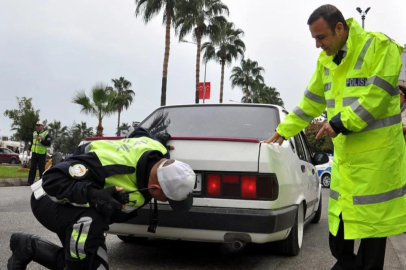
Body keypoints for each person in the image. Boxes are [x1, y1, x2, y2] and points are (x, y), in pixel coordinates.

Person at [264, 4, 406, 270]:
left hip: (378, 165)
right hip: (346, 163)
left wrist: (339, 123)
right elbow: (310, 102)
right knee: (337, 243)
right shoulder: (326, 62)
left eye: (322, 37)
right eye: (315, 39)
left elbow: (375, 98)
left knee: (373, 239)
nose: (318, 45)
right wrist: (284, 131)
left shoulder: (380, 48)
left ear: (340, 28)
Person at [7, 127, 196, 270]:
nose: (166, 202)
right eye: (167, 198)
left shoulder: (157, 150)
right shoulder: (107, 163)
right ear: (155, 188)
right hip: (49, 199)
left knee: (95, 266)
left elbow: (140, 132)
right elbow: (52, 180)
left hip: (77, 208)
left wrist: (161, 140)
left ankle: (29, 246)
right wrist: (94, 195)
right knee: (90, 221)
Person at [27, 121, 51, 185]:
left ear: (42, 126)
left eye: (39, 125)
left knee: (41, 169)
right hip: (34, 153)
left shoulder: (46, 134)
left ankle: (42, 182)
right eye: (37, 125)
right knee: (32, 168)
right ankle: (30, 182)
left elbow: (48, 143)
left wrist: (40, 140)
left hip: (42, 154)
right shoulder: (34, 133)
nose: (37, 127)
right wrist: (29, 149)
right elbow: (32, 142)